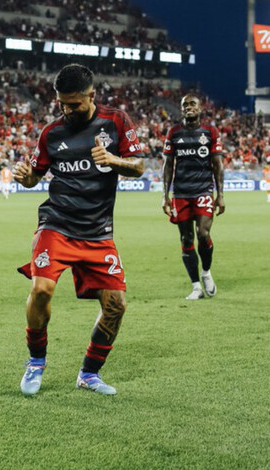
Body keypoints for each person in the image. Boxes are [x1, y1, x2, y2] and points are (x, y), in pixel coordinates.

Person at [13, 64, 144, 397]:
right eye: (61, 104)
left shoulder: (116, 122)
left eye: (74, 104)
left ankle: (88, 374)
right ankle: (36, 362)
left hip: (98, 231)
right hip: (56, 224)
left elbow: (139, 166)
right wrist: (25, 177)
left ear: (92, 96)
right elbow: (34, 177)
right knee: (41, 289)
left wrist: (113, 160)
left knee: (116, 305)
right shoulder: (51, 133)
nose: (67, 111)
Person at [162, 94, 225, 300]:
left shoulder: (210, 132)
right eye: (185, 105)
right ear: (181, 109)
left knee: (203, 234)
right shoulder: (174, 132)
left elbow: (218, 165)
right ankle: (196, 286)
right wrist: (165, 196)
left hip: (203, 190)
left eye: (192, 104)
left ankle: (206, 272)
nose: (189, 107)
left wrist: (220, 195)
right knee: (185, 238)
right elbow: (168, 166)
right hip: (181, 193)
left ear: (200, 108)